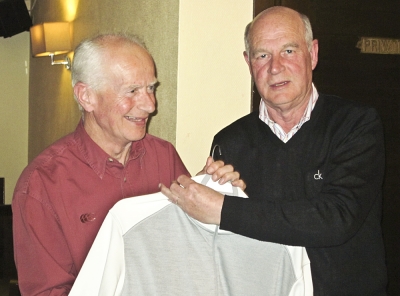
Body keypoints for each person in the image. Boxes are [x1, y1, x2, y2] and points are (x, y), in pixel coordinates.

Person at [161, 6, 388, 295]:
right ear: (248, 62)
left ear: (313, 54)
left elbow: (336, 218)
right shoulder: (229, 141)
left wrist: (223, 208)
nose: (275, 67)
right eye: (262, 55)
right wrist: (211, 188)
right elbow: (216, 244)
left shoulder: (356, 124)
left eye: (289, 51)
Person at [12, 33, 243, 295]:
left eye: (151, 88)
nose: (150, 105)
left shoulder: (163, 156)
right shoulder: (41, 185)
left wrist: (212, 190)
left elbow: (190, 245)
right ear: (86, 96)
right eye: (132, 91)